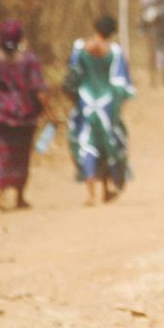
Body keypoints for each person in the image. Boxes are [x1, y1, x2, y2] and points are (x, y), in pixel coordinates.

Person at [0, 20, 45, 212]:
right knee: (21, 155)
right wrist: (48, 111)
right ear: (20, 37)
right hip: (25, 114)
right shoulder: (29, 58)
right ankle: (19, 197)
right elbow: (38, 87)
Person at [65, 15, 134, 205]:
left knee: (87, 145)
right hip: (107, 103)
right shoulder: (114, 52)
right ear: (112, 32)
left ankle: (90, 193)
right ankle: (107, 188)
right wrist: (118, 106)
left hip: (85, 102)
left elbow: (72, 74)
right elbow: (121, 83)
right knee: (108, 144)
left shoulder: (80, 48)